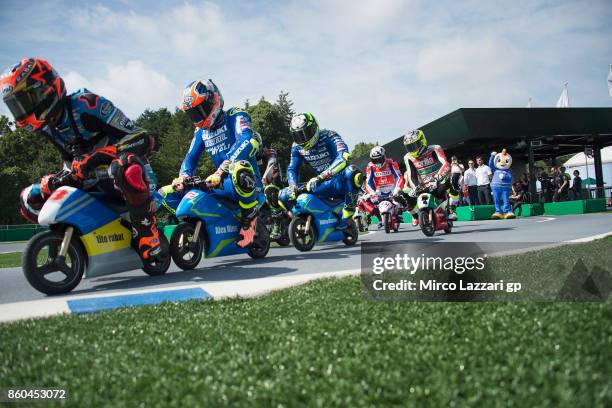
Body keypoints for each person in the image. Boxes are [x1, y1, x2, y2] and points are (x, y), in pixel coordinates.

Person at [1, 57, 163, 260]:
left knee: (123, 166)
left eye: (24, 102)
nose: (22, 112)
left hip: (133, 179)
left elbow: (144, 139)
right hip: (90, 183)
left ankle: (148, 234)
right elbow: (72, 163)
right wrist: (55, 179)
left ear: (45, 91)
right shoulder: (48, 127)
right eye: (16, 106)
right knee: (29, 196)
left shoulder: (88, 104)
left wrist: (94, 158)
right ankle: (77, 239)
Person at [173, 79, 263, 247]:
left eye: (201, 110)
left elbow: (247, 139)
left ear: (214, 100)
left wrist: (221, 170)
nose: (199, 117)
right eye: (194, 114)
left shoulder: (236, 115)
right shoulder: (200, 132)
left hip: (245, 181)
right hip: (219, 183)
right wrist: (183, 177)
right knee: (168, 191)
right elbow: (190, 158)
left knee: (239, 168)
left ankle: (250, 218)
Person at [278, 112, 364, 230]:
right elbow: (292, 169)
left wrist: (322, 176)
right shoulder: (296, 147)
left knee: (353, 172)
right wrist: (293, 186)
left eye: (305, 133)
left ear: (314, 128)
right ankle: (300, 220)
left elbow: (343, 157)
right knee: (283, 195)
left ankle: (347, 214)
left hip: (338, 182)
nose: (302, 139)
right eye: (298, 136)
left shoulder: (330, 135)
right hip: (319, 185)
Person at [400, 129, 457, 222]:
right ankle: (415, 215)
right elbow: (412, 175)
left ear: (422, 141)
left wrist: (438, 177)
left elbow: (446, 164)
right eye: (410, 147)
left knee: (453, 180)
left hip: (438, 180)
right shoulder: (408, 157)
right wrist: (415, 188)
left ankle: (451, 210)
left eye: (415, 146)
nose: (413, 149)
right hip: (424, 186)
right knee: (403, 194)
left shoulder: (435, 148)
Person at [363, 146, 405, 227]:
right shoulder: (370, 166)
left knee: (399, 198)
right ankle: (379, 218)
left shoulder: (391, 163)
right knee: (366, 201)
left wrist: (397, 188)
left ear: (384, 157)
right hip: (379, 191)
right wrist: (371, 192)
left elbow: (399, 177)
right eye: (374, 160)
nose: (377, 162)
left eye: (379, 159)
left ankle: (399, 213)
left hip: (392, 188)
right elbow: (369, 181)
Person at [260, 145, 285, 239]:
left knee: (269, 190)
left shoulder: (271, 154)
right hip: (259, 187)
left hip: (274, 185)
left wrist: (265, 178)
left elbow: (272, 165)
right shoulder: (249, 157)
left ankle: (277, 225)